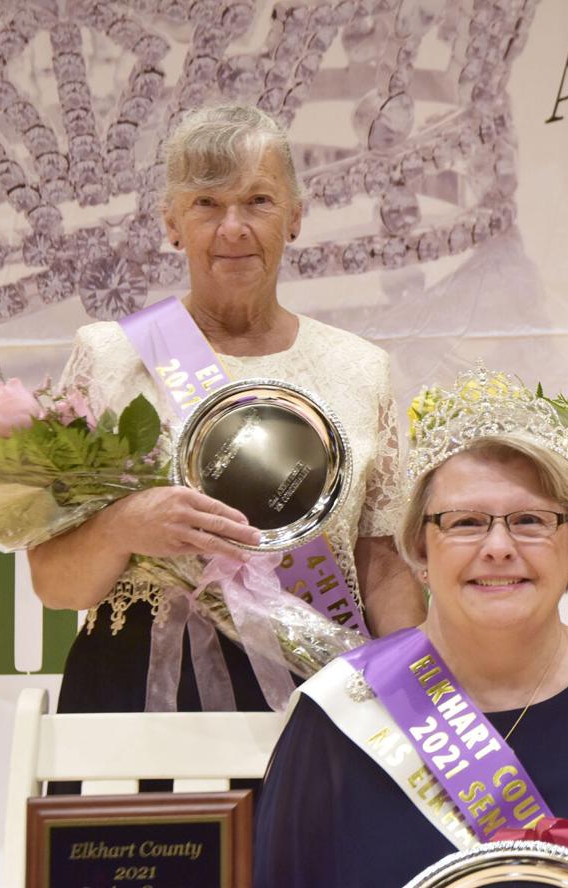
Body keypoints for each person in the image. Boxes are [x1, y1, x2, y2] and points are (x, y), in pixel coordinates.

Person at [28, 104, 425, 715]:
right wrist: (123, 527)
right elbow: (55, 585)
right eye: (206, 204)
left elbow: (383, 567)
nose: (232, 228)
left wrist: (414, 703)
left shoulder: (359, 368)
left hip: (318, 689)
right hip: (133, 691)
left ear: (295, 217)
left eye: (259, 201)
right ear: (171, 223)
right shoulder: (108, 357)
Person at [253, 372, 568, 886]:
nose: (499, 547)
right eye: (465, 522)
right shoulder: (340, 710)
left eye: (530, 520)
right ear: (419, 551)